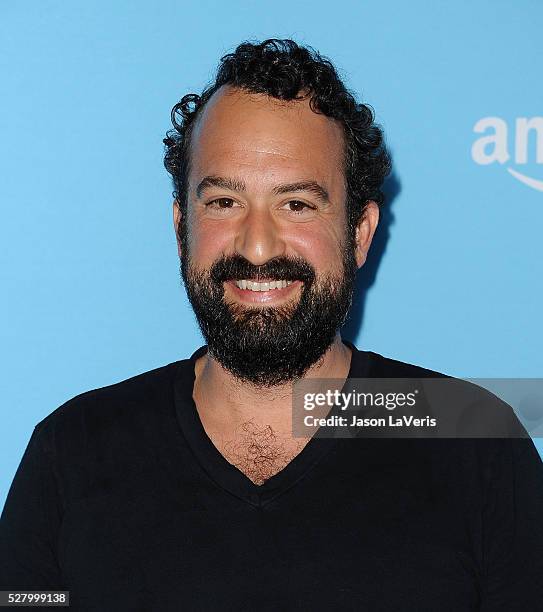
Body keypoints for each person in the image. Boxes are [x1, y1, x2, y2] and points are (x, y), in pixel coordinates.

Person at [1, 38, 542, 611]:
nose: (257, 247)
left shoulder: (472, 438)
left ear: (359, 233)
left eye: (297, 205)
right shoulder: (75, 450)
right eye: (224, 202)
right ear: (181, 225)